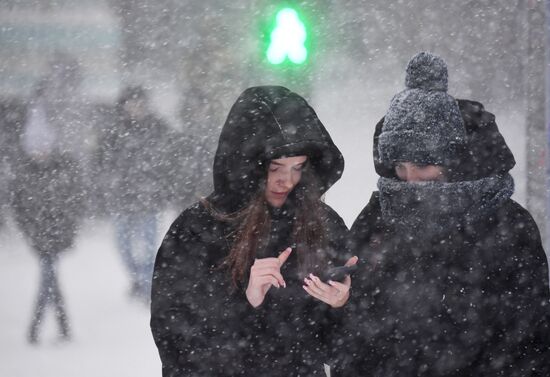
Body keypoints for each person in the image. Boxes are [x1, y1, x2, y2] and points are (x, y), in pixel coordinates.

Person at [343, 52, 550, 375]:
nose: (409, 180)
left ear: (454, 162)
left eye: (422, 165)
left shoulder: (507, 226)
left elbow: (530, 342)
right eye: (400, 166)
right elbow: (353, 334)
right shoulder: (377, 220)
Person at [150, 86, 356, 376]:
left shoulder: (322, 224)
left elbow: (345, 349)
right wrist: (247, 304)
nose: (287, 180)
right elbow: (178, 345)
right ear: (245, 165)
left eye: (298, 167)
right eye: (275, 167)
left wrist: (341, 305)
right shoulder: (198, 230)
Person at [11, 80, 84, 344]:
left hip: (56, 233)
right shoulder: (26, 174)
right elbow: (19, 207)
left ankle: (39, 327)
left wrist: (67, 228)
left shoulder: (63, 168)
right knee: (50, 279)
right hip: (39, 235)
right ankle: (58, 326)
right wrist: (30, 231)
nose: (40, 151)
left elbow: (74, 202)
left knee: (49, 279)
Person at [98, 85, 174, 300]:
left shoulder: (158, 128)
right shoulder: (113, 132)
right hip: (121, 199)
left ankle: (145, 286)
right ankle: (138, 279)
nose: (135, 107)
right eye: (131, 102)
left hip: (149, 200)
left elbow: (170, 162)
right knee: (124, 247)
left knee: (149, 248)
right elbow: (102, 163)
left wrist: (162, 186)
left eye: (139, 102)